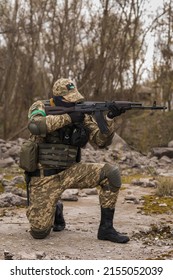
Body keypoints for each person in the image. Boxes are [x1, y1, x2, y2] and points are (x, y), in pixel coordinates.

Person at [25, 77, 129, 243]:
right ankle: (56, 208)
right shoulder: (41, 106)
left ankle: (106, 229)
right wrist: (69, 118)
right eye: (69, 100)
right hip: (44, 176)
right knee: (39, 232)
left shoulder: (82, 114)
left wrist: (109, 118)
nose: (74, 102)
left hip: (71, 171)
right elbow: (36, 126)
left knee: (111, 172)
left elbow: (101, 141)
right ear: (58, 98)